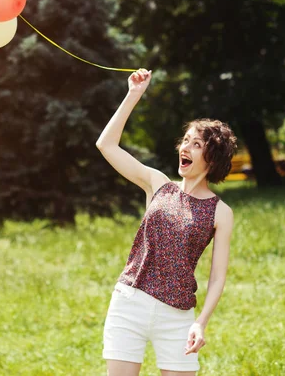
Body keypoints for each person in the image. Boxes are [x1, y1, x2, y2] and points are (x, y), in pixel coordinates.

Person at [96, 68, 237, 376]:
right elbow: (106, 145)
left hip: (178, 317)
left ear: (211, 158)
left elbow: (217, 278)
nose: (184, 148)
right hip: (130, 302)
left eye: (195, 144)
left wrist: (200, 323)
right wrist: (134, 95)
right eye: (184, 141)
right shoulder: (158, 184)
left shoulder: (220, 212)